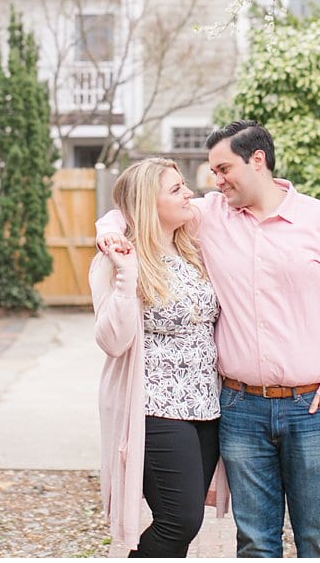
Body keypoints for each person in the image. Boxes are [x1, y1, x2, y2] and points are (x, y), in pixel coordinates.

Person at [97, 122, 320, 558]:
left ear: (257, 160)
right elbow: (137, 203)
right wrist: (107, 229)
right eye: (211, 171)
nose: (214, 180)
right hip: (239, 409)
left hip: (312, 408)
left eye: (223, 168)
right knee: (254, 541)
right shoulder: (211, 216)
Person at [91, 157, 229, 557]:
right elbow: (113, 340)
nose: (190, 193)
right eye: (176, 189)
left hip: (205, 406)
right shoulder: (116, 261)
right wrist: (126, 273)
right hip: (154, 408)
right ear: (148, 205)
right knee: (178, 520)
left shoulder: (192, 249)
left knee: (184, 524)